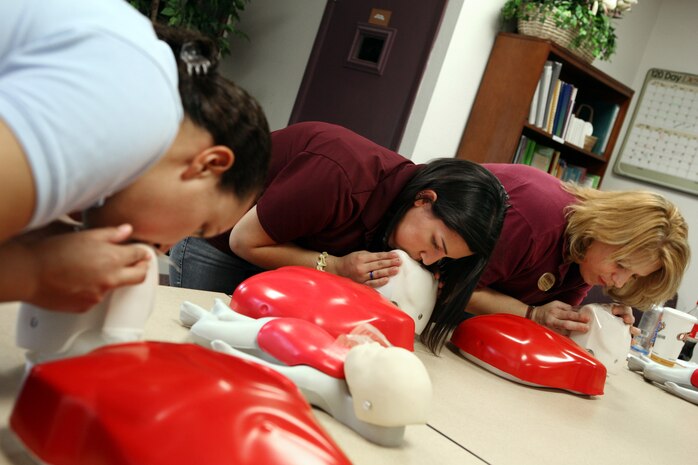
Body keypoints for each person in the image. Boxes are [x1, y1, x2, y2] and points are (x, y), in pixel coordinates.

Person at [0, 1, 270, 312]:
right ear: (208, 164)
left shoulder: (131, 66)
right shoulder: (141, 106)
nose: (163, 249)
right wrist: (37, 272)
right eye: (198, 228)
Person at [170, 121, 509, 352]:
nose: (429, 259)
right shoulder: (341, 176)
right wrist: (333, 266)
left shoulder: (399, 218)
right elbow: (244, 242)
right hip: (219, 238)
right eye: (436, 244)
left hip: (282, 261)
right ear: (424, 199)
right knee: (200, 345)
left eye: (445, 258)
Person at [466, 163, 690, 334]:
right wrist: (532, 314)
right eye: (621, 265)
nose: (619, 281)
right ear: (607, 228)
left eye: (633, 276)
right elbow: (453, 287)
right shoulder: (538, 220)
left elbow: (549, 323)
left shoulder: (587, 260)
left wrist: (597, 325)